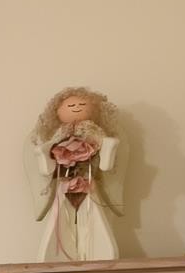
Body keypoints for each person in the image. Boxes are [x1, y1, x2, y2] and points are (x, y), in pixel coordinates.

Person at [28, 87, 121, 261]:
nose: (76, 107)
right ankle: (60, 252)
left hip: (87, 176)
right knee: (62, 213)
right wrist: (45, 151)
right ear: (57, 111)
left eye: (82, 104)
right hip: (65, 177)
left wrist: (108, 146)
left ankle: (94, 250)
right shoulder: (61, 132)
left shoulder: (92, 129)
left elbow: (103, 143)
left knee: (92, 210)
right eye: (70, 105)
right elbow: (52, 145)